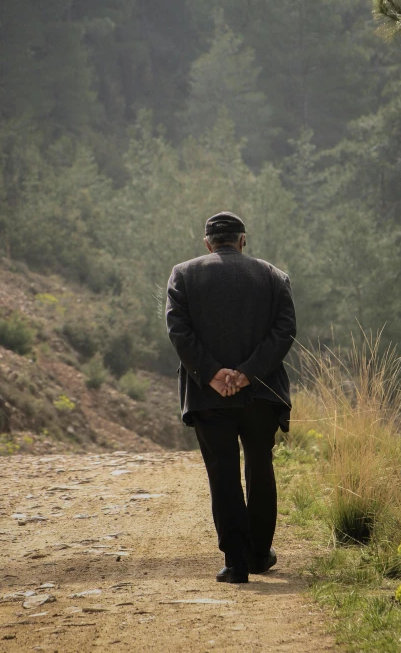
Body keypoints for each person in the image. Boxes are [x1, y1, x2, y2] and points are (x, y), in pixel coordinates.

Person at [165, 211, 296, 583]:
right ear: (243, 240)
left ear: (208, 243)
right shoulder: (273, 276)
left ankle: (236, 563)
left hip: (207, 396)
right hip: (261, 392)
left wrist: (212, 374)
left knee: (222, 472)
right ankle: (258, 554)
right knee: (260, 465)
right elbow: (285, 330)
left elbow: (178, 331)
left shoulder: (184, 274)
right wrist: (247, 374)